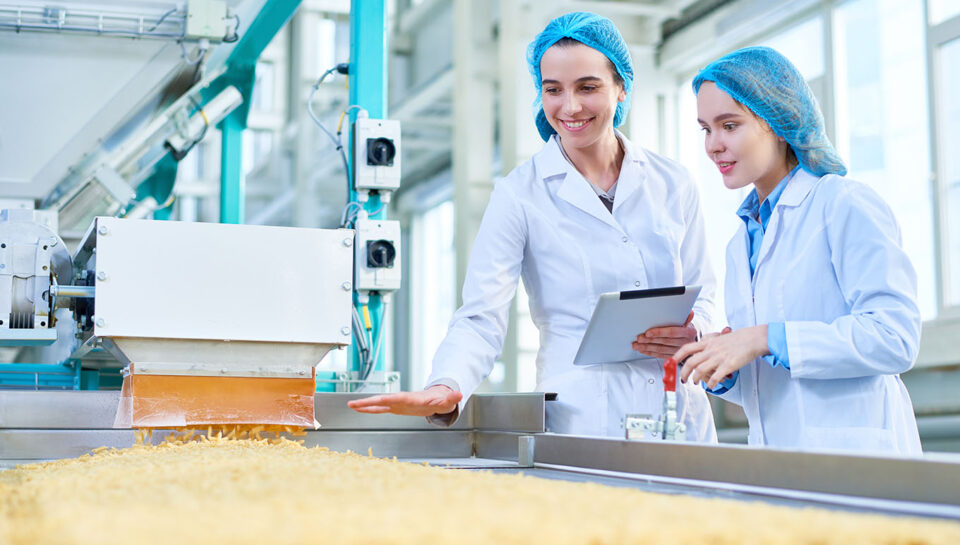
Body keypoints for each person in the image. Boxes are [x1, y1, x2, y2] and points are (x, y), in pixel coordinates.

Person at [349, 12, 718, 440]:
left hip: (679, 410)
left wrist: (697, 331)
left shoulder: (672, 181)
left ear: (621, 88)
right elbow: (481, 315)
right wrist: (446, 384)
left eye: (588, 87)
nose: (570, 106)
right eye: (553, 90)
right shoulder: (520, 194)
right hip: (584, 422)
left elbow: (705, 291)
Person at [664, 46, 922, 454]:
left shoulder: (842, 204)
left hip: (860, 459)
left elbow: (894, 338)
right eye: (705, 129)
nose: (713, 145)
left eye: (729, 126)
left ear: (779, 121)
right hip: (778, 462)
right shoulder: (740, 242)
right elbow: (773, 386)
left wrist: (765, 338)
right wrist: (721, 363)